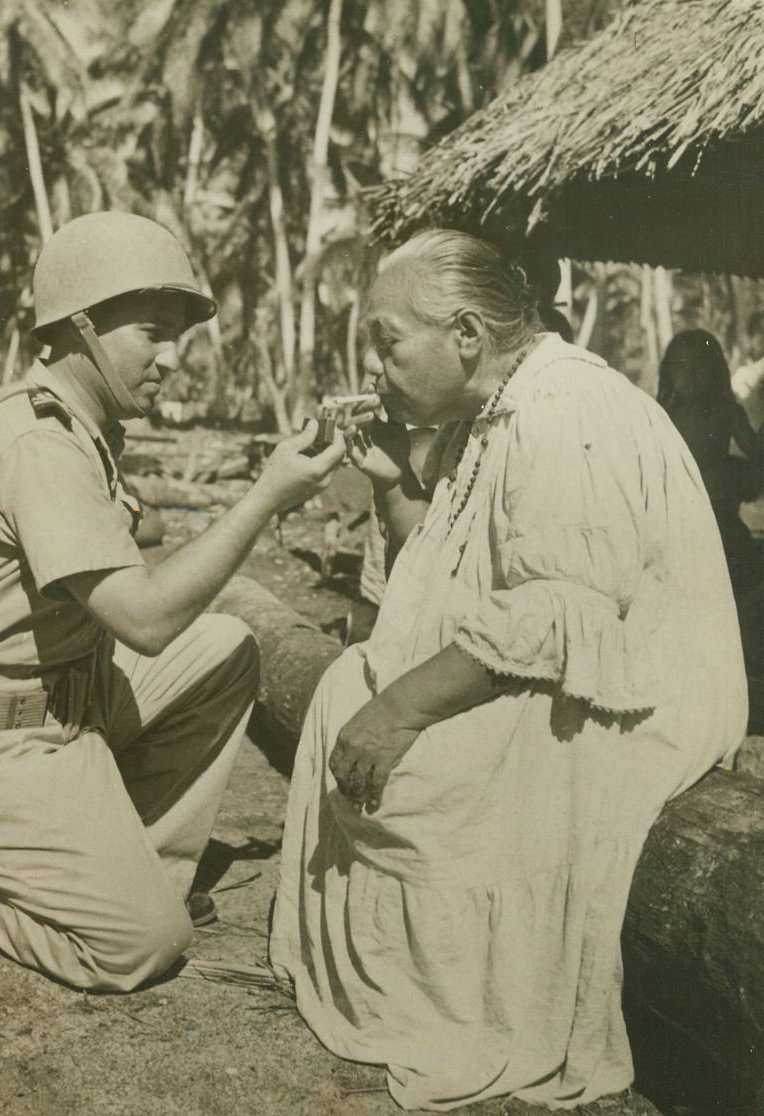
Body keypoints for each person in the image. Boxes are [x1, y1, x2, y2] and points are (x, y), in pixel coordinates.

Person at [270, 230, 746, 1110]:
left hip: (641, 689)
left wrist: (404, 711)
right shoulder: (493, 411)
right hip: (573, 655)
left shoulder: (565, 408)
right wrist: (388, 485)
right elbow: (458, 577)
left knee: (421, 753)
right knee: (354, 683)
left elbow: (557, 614)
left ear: (464, 336)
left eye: (386, 342)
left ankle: (460, 996)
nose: (374, 366)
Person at [0, 211, 345, 992]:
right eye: (154, 334)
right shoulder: (39, 444)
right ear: (80, 329)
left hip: (55, 697)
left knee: (229, 648)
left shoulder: (84, 429)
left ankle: (134, 867)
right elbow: (144, 620)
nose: (173, 359)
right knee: (141, 947)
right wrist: (265, 497)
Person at [657, 328, 764, 673]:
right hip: (675, 522)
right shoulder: (662, 413)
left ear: (716, 370)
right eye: (680, 367)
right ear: (668, 373)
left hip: (721, 520)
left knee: (733, 589)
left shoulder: (726, 411)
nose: (689, 375)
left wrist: (740, 469)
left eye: (700, 366)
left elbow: (756, 456)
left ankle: (731, 661)